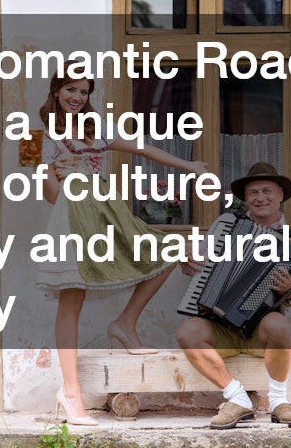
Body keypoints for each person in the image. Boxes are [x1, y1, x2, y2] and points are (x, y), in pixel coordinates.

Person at [37, 63, 208, 426]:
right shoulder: (36, 138)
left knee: (166, 250)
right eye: (70, 90)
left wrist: (188, 165)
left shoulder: (96, 128)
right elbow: (49, 194)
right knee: (72, 300)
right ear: (55, 91)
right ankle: (69, 392)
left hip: (107, 211)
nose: (77, 98)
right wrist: (50, 171)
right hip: (72, 217)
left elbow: (143, 149)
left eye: (83, 92)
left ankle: (125, 322)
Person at [176, 162, 291, 429]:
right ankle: (237, 399)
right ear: (245, 198)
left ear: (280, 194)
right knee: (187, 332)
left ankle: (278, 402)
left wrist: (289, 293)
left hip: (259, 332)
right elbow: (197, 264)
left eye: (267, 191)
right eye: (253, 193)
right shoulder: (227, 224)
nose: (260, 198)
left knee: (278, 322)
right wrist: (186, 260)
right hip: (220, 325)